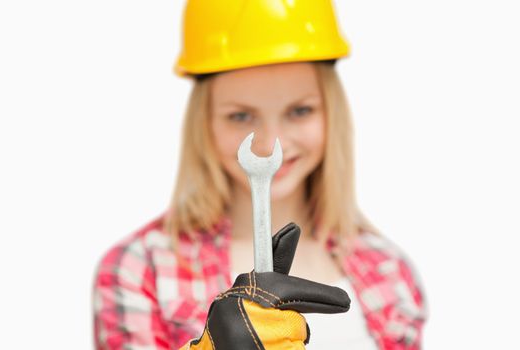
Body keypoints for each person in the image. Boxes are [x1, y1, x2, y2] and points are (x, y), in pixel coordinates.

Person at [93, 0, 427, 349]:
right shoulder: (139, 268)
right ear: (203, 121)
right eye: (240, 116)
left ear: (332, 112)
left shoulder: (388, 270)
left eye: (300, 110)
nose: (269, 142)